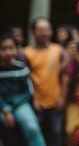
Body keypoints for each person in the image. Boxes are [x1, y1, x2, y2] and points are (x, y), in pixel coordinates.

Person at [24, 18, 69, 146]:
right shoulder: (26, 53)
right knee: (36, 137)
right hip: (37, 104)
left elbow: (65, 77)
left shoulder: (59, 50)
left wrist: (62, 98)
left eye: (47, 29)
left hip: (56, 102)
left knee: (56, 136)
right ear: (33, 32)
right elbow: (25, 80)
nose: (45, 33)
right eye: (41, 30)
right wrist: (32, 100)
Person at [0, 33, 46, 146]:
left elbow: (28, 90)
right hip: (2, 106)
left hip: (20, 104)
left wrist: (15, 107)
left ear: (17, 49)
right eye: (3, 49)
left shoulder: (22, 67)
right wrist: (5, 110)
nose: (8, 52)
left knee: (32, 128)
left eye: (11, 48)